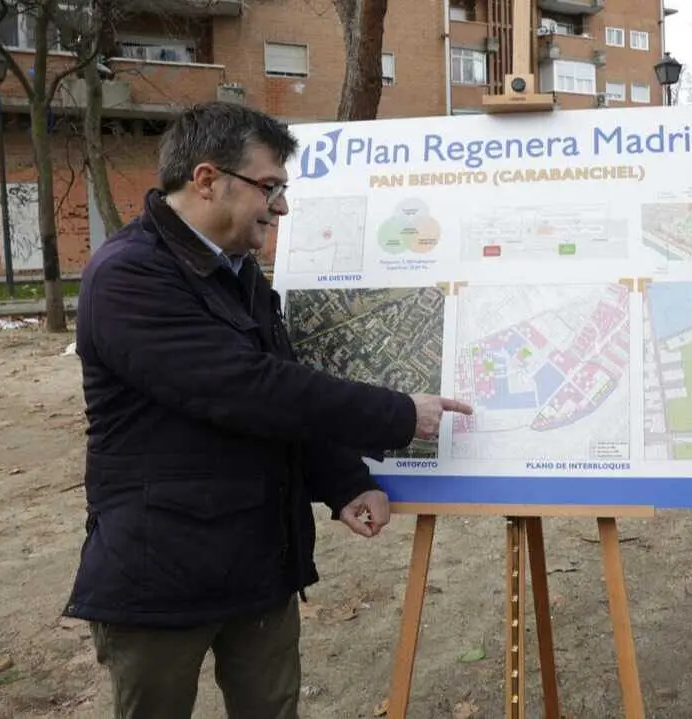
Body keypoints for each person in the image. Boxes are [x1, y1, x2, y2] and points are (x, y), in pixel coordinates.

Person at [63, 101, 472, 718]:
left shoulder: (240, 274)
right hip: (161, 573)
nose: (280, 206)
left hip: (257, 564)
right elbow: (244, 388)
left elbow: (284, 395)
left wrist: (345, 482)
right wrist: (395, 414)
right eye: (269, 187)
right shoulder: (128, 275)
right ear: (206, 180)